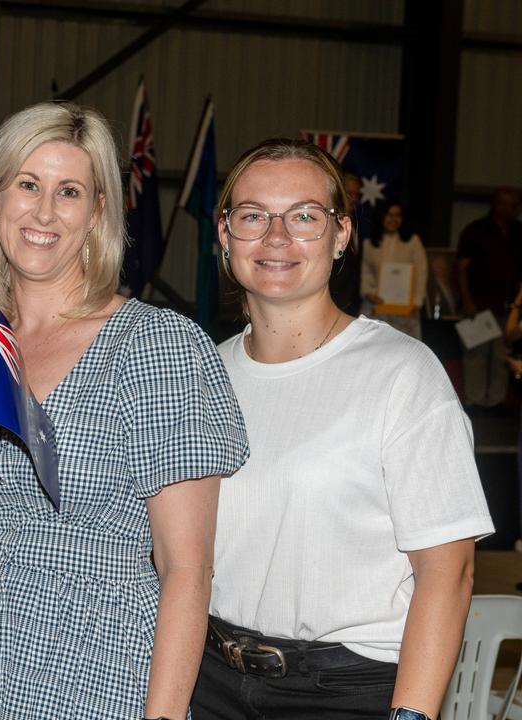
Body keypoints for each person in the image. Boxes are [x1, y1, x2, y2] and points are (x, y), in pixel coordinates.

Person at [0, 102, 249, 720]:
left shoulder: (156, 345)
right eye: (27, 185)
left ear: (96, 215)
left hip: (99, 661)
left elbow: (187, 569)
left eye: (69, 192)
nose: (43, 211)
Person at [192, 139, 493, 720]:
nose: (276, 236)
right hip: (210, 679)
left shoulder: (402, 374)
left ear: (341, 236)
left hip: (345, 691)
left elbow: (448, 574)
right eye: (253, 215)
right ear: (225, 236)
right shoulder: (201, 374)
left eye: (304, 216)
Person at [457, 187, 522, 410]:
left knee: (501, 357)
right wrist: (467, 300)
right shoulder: (476, 231)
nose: (515, 209)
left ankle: (495, 402)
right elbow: (462, 269)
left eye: (517, 204)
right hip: (479, 305)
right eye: (511, 204)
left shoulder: (518, 232)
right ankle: (474, 402)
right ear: (497, 204)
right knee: (476, 355)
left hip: (508, 307)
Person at [361, 200, 427, 339]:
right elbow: (366, 273)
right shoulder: (369, 243)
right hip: (376, 307)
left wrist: (417, 302)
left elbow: (421, 273)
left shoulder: (413, 242)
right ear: (381, 217)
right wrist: (368, 293)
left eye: (397, 215)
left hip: (406, 310)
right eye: (389, 215)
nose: (393, 219)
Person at [328, 173, 364, 316]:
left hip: (351, 305)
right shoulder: (329, 225)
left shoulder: (357, 225)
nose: (354, 199)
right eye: (349, 193)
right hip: (332, 303)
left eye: (357, 194)